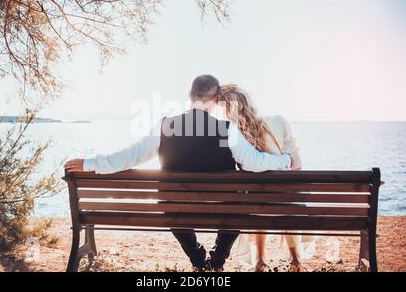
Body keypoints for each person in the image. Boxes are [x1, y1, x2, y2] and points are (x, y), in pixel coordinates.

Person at [65, 75, 293, 271]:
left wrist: (88, 163)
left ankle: (196, 257)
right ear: (215, 101)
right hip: (222, 208)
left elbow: (131, 155)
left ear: (190, 96)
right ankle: (218, 258)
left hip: (177, 210)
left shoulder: (166, 126)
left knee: (169, 202)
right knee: (241, 204)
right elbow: (254, 163)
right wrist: (286, 159)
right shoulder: (227, 130)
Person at [217, 84, 312, 272]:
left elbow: (243, 164)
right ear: (248, 100)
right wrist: (284, 161)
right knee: (285, 200)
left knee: (260, 201)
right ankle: (295, 259)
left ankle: (260, 260)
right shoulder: (279, 120)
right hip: (286, 201)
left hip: (256, 202)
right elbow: (296, 165)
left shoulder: (234, 130)